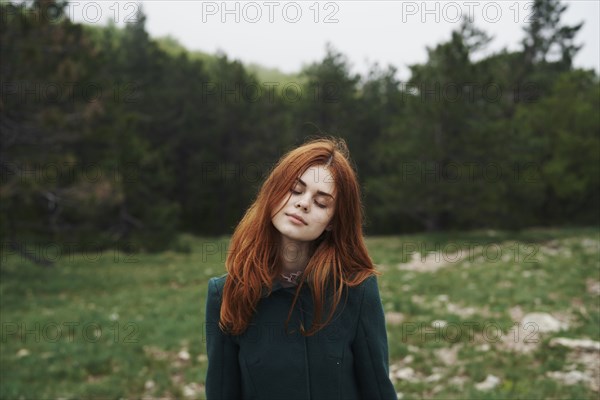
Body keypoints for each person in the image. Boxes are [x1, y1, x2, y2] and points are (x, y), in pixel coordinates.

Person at [205, 137, 398, 400]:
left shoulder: (357, 290)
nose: (303, 203)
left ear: (332, 221)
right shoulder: (225, 293)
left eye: (321, 202)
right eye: (295, 189)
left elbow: (378, 391)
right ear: (274, 192)